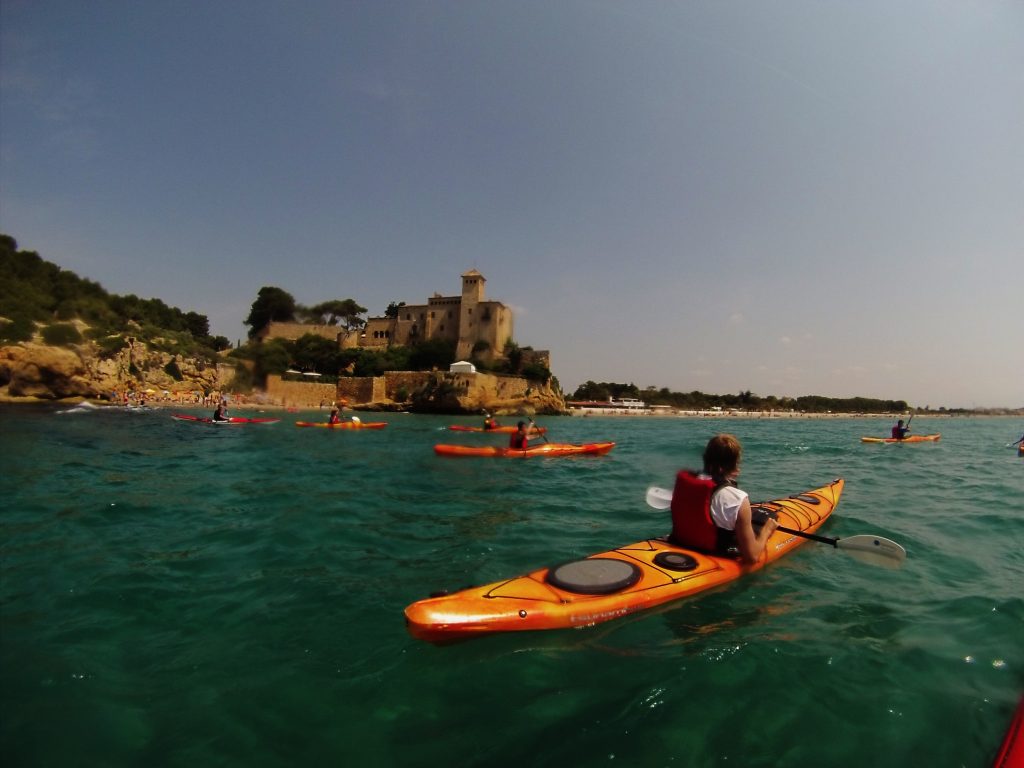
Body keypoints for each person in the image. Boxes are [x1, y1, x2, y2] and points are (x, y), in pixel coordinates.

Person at [668, 434, 779, 565]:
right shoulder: (738, 498)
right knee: (763, 524)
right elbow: (752, 557)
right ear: (735, 465)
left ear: (705, 458)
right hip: (713, 551)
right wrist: (767, 530)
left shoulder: (684, 484)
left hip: (680, 542)